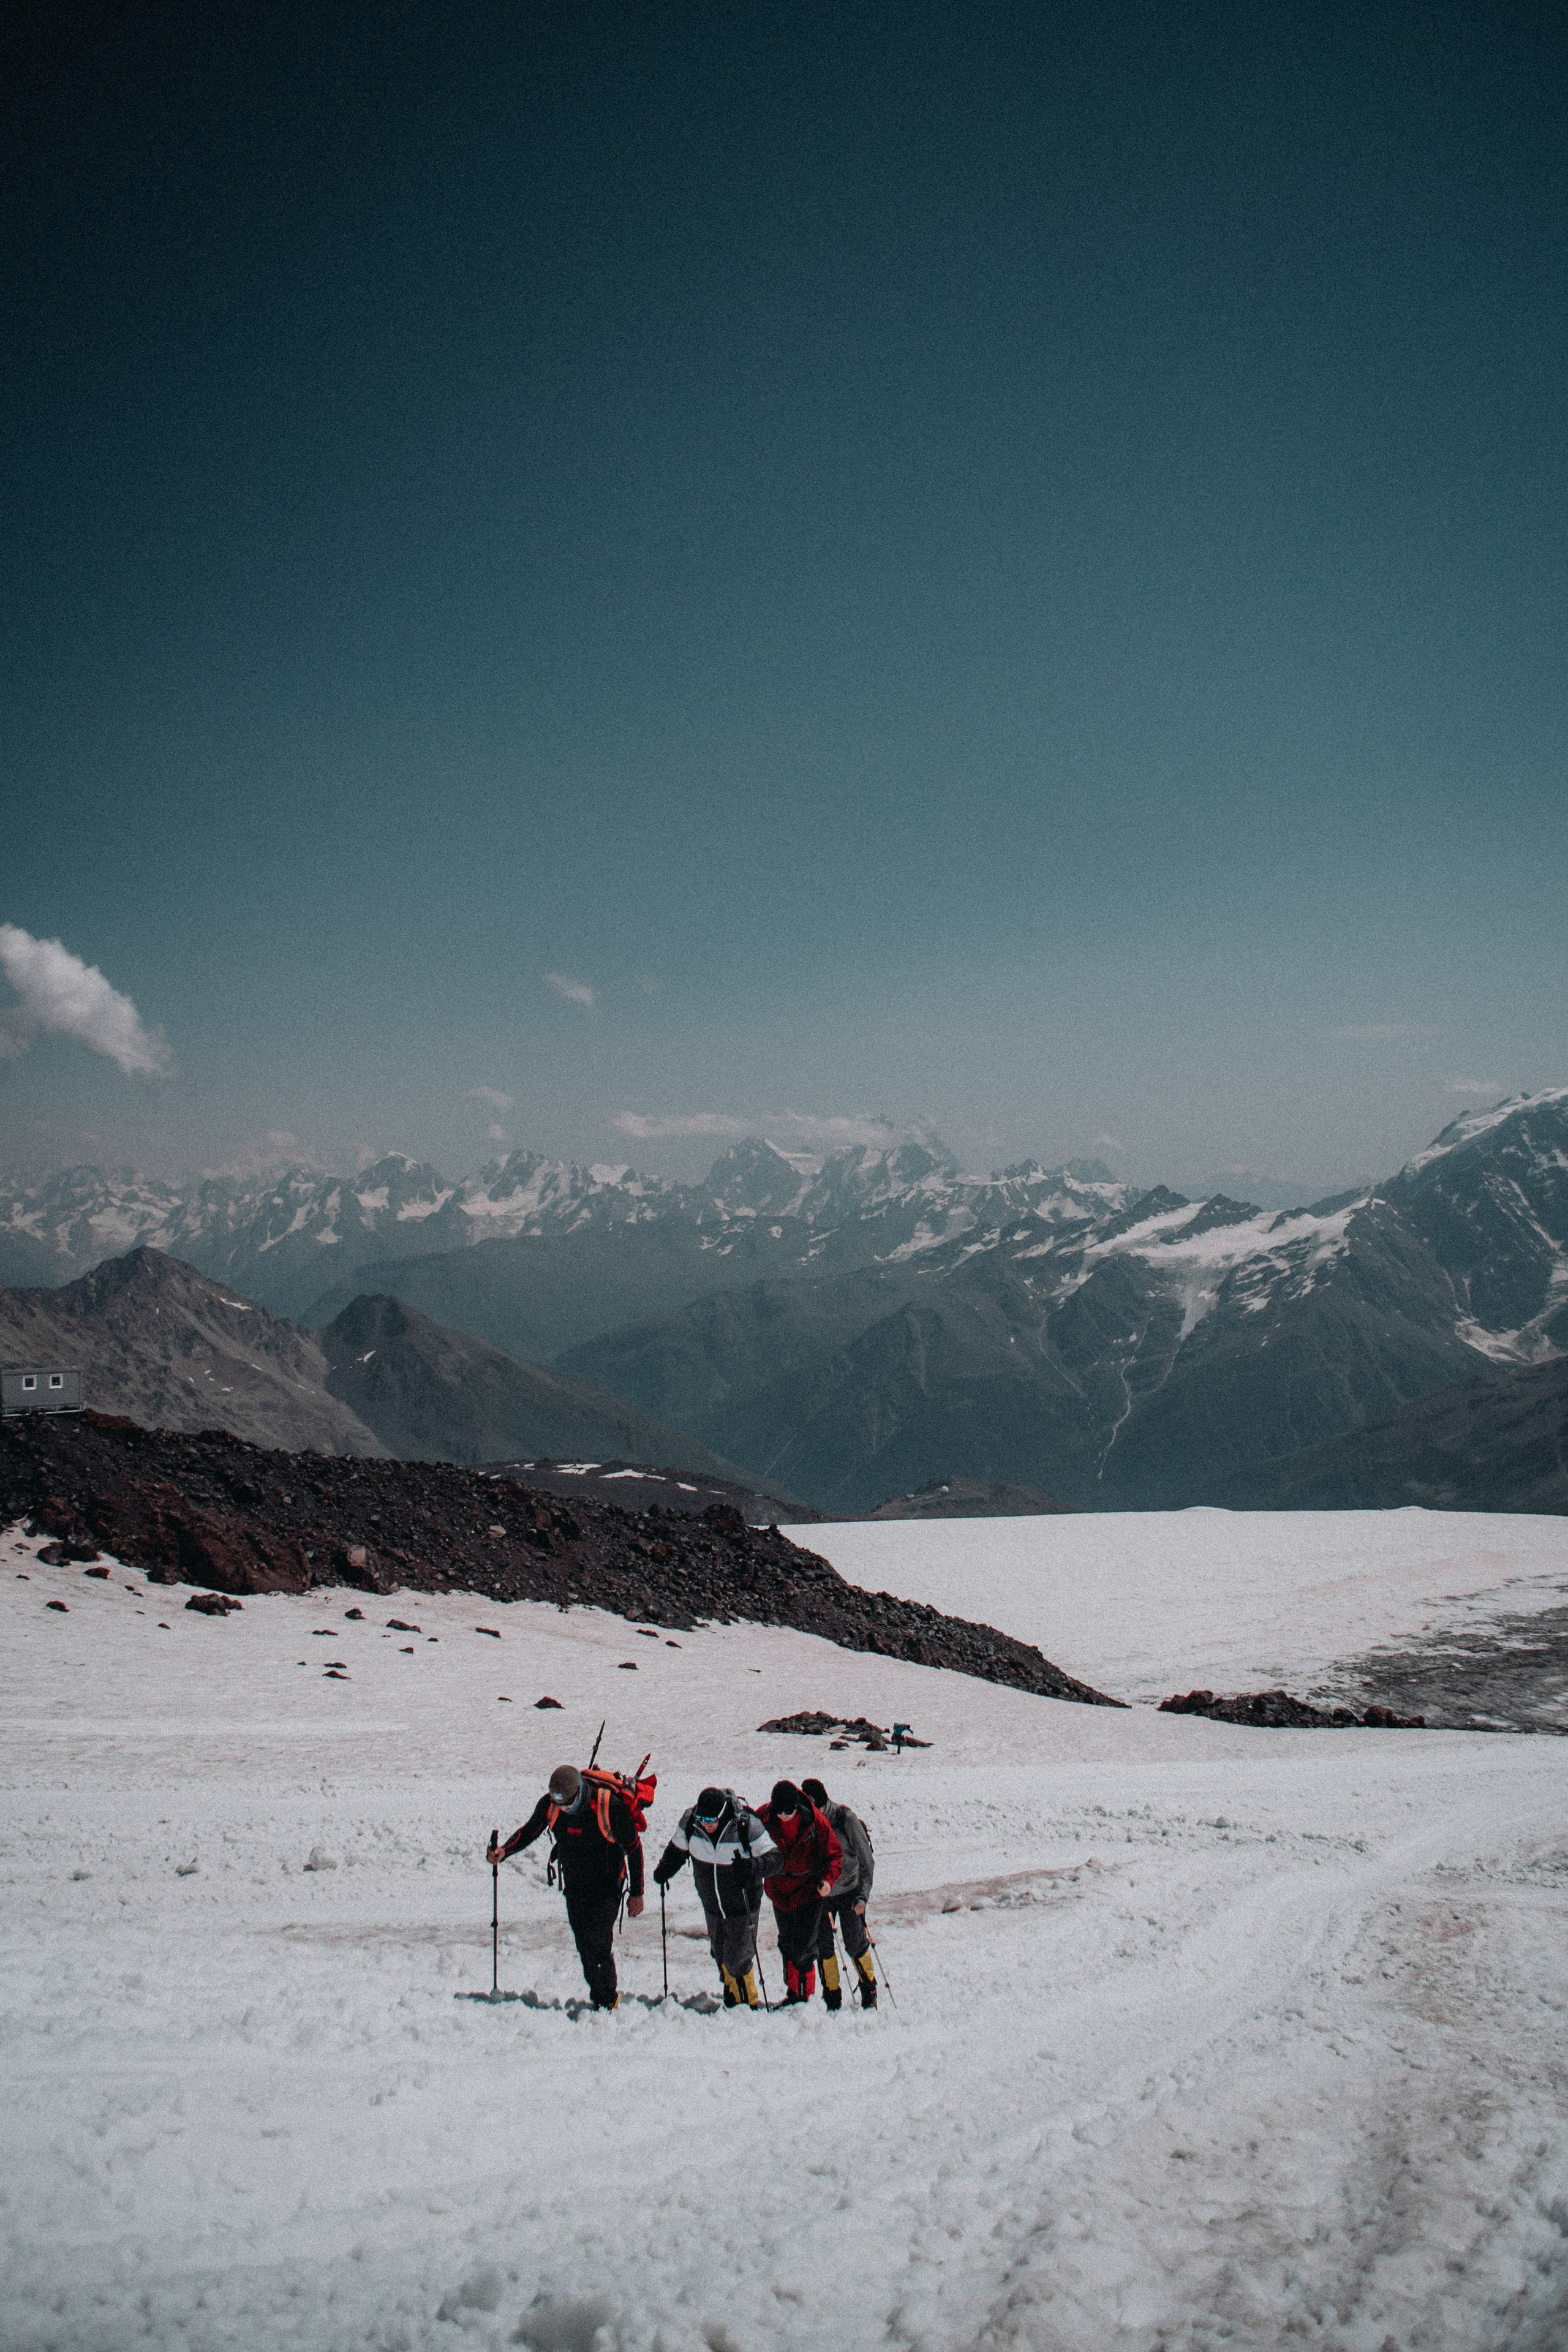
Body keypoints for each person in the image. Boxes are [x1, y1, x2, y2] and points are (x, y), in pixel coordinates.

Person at [488, 1764, 644, 2010]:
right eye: (559, 1805)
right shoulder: (550, 1805)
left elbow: (634, 1849)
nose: (564, 1810)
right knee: (583, 1943)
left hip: (608, 1884)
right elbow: (530, 1831)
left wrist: (637, 1893)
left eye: (568, 1805)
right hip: (575, 1884)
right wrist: (504, 1851)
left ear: (580, 1793)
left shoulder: (607, 1805)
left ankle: (608, 2000)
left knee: (599, 1942)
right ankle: (599, 1995)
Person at [652, 1786, 779, 2009]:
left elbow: (776, 1860)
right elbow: (677, 1850)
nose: (707, 1824)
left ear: (722, 1814)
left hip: (743, 1904)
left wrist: (751, 1867)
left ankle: (748, 2004)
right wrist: (665, 1870)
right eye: (703, 1819)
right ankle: (732, 1996)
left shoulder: (745, 1826)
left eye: (712, 1819)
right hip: (712, 1904)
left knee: (739, 1958)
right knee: (719, 1953)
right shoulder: (691, 1822)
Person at [757, 1779, 842, 2005]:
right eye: (780, 1812)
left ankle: (805, 1997)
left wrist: (828, 1881)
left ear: (797, 1806)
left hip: (809, 1893)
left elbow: (834, 1855)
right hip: (778, 1891)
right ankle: (793, 1992)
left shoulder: (816, 1822)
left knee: (805, 1948)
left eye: (789, 1812)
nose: (784, 1816)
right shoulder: (765, 1816)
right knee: (787, 1943)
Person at [801, 1775, 878, 2010]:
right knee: (823, 1948)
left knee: (855, 1944)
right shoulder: (808, 1820)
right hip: (821, 1894)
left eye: (818, 1809)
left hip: (850, 1890)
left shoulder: (846, 1819)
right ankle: (832, 1995)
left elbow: (867, 1862)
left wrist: (863, 1896)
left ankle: (869, 1988)